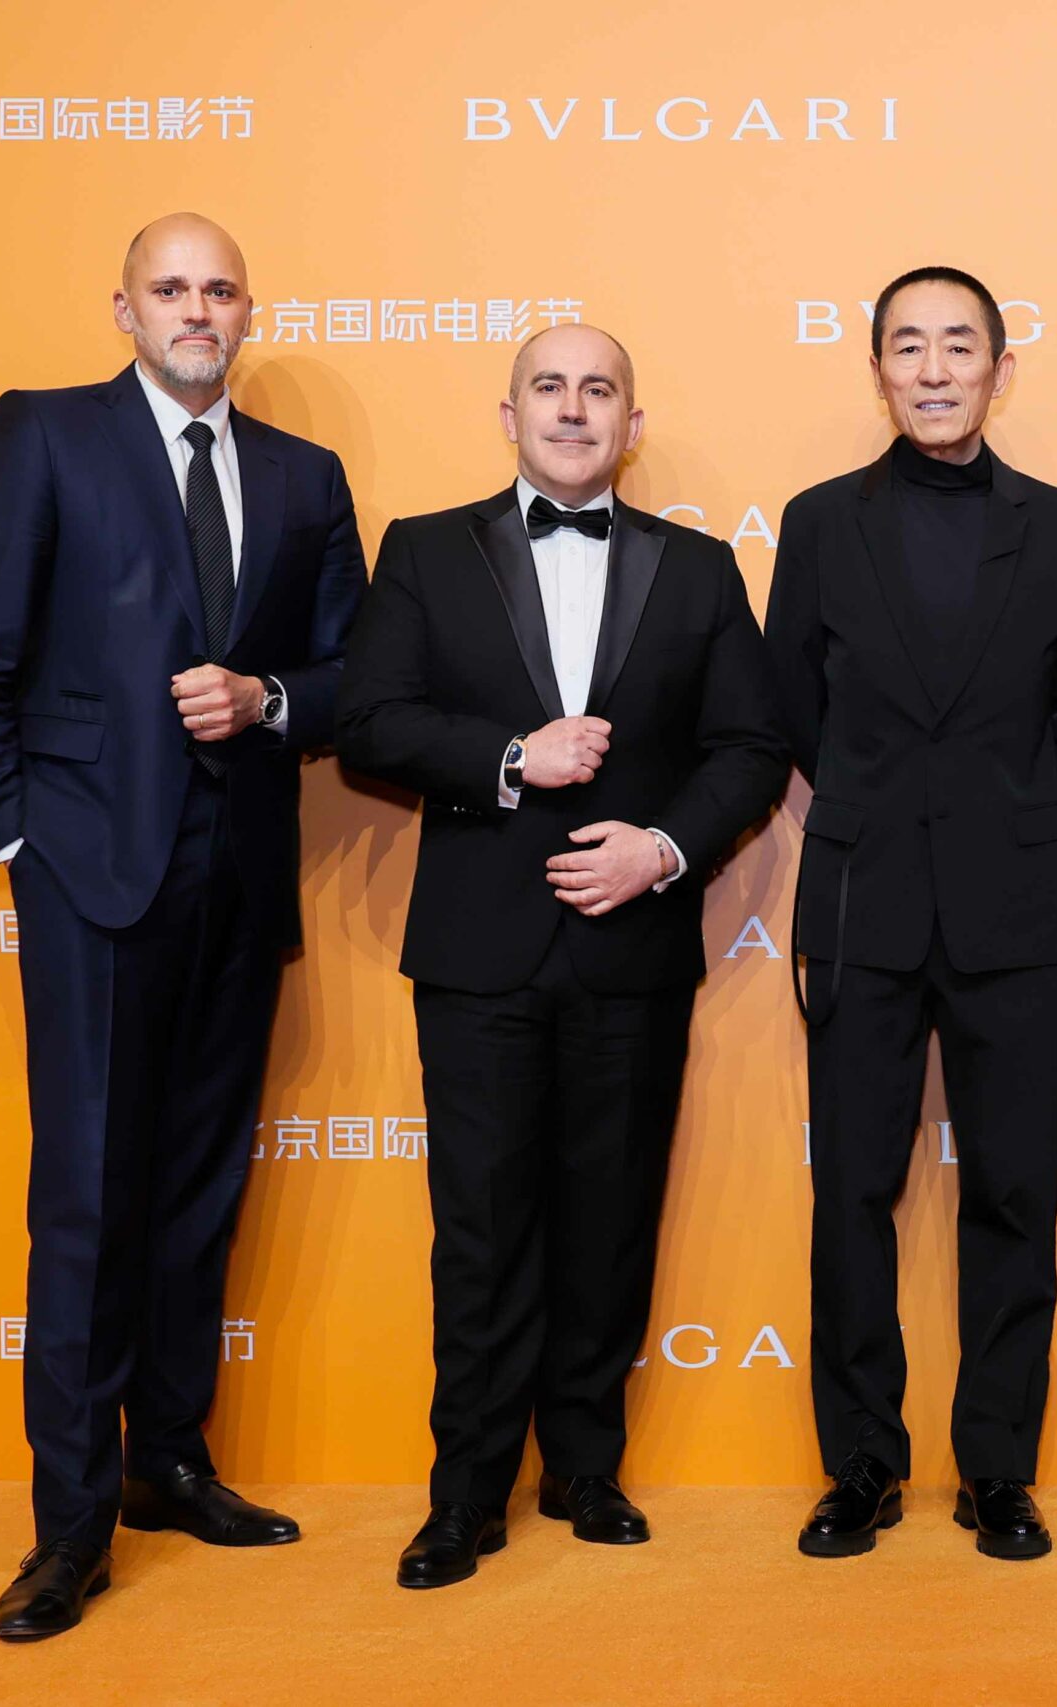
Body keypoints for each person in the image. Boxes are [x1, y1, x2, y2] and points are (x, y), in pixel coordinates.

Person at [0, 213, 368, 1641]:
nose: (196, 310)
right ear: (123, 309)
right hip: (89, 876)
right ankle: (70, 1523)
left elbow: (352, 675)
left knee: (194, 1189)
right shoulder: (46, 434)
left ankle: (169, 1462)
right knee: (90, 1200)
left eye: (219, 289)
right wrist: (17, 842)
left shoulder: (304, 476)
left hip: (238, 879)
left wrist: (268, 700)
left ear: (249, 312)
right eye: (170, 288)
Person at [336, 326, 785, 1589]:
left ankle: (587, 1467)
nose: (574, 409)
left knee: (610, 1218)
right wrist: (506, 759)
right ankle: (466, 1493)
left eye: (600, 390)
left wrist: (664, 848)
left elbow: (750, 746)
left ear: (632, 423)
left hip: (632, 946)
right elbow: (369, 722)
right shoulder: (424, 550)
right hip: (478, 950)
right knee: (479, 1231)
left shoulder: (699, 568)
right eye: (551, 387)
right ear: (510, 414)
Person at [763, 266, 1057, 1561]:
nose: (932, 368)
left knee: (1014, 1194)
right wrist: (880, 809)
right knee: (851, 1194)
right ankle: (861, 1463)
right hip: (861, 899)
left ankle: (998, 1471)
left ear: (998, 370)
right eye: (907, 346)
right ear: (877, 370)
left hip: (1011, 903)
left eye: (957, 345)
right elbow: (792, 702)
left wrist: (1002, 816)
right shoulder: (819, 521)